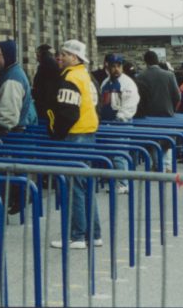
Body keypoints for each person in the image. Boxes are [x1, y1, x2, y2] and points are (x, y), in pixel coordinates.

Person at [47, 40, 102, 249]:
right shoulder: (85, 75)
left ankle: (76, 236)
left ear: (75, 58)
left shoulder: (70, 77)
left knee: (73, 186)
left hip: (74, 134)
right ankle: (94, 234)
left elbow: (68, 112)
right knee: (85, 184)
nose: (60, 57)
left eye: (65, 54)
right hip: (88, 132)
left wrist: (56, 133)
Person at [0, 40, 38, 216]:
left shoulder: (12, 79)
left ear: (7, 55)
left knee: (4, 175)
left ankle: (1, 210)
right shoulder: (10, 73)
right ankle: (12, 202)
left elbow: (9, 117)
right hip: (13, 132)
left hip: (10, 133)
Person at [99, 53, 140, 193]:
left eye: (118, 66)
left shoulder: (127, 83)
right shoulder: (105, 82)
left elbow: (130, 104)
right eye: (113, 66)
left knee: (119, 153)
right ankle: (115, 181)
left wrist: (119, 118)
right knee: (111, 154)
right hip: (107, 123)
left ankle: (123, 183)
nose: (116, 69)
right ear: (108, 67)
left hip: (121, 123)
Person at [32, 44, 60, 121]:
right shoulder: (53, 64)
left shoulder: (44, 64)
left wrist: (34, 93)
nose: (36, 57)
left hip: (44, 104)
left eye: (37, 54)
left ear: (40, 53)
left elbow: (40, 85)